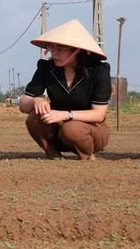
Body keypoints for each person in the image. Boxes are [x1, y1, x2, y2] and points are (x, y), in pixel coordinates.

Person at [19, 19, 111, 160]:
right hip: (57, 129)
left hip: (90, 130)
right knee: (34, 118)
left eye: (60, 50)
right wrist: (36, 100)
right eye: (51, 48)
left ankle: (87, 155)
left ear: (77, 50)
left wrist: (66, 115)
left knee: (72, 129)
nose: (54, 53)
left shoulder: (99, 71)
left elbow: (98, 114)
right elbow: (24, 106)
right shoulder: (46, 68)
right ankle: (53, 153)